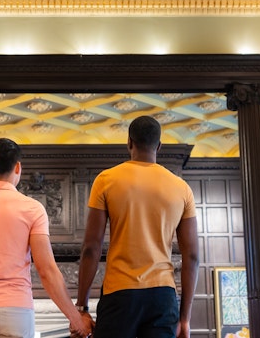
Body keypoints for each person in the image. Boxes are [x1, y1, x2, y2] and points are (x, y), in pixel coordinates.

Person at [0, 138, 94, 338]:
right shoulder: (32, 209)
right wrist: (75, 318)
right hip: (17, 309)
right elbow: (46, 271)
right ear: (18, 167)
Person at [76, 115, 199, 338]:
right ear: (159, 146)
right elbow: (192, 257)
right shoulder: (182, 189)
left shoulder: (106, 180)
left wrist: (82, 308)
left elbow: (91, 248)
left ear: (129, 143)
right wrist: (185, 318)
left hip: (119, 294)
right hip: (162, 296)